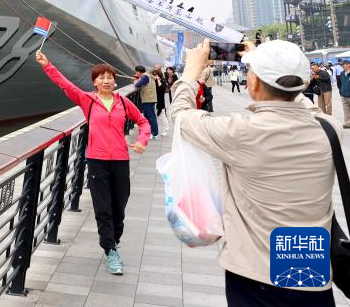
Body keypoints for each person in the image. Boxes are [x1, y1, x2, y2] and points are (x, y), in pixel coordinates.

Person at [169, 39, 339, 306]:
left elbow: (180, 116)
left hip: (258, 276)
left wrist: (191, 71)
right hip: (309, 266)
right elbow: (308, 108)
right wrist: (271, 66)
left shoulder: (241, 133)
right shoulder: (329, 129)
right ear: (304, 83)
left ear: (254, 82)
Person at [34, 51, 150, 276]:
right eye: (101, 78)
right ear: (94, 82)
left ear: (115, 81)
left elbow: (143, 121)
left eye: (110, 77)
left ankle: (114, 241)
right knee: (103, 207)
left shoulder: (123, 102)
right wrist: (47, 65)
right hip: (97, 160)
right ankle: (110, 249)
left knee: (120, 206)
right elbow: (65, 85)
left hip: (120, 160)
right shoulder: (87, 100)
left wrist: (142, 140)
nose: (106, 81)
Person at [134, 65, 160, 139]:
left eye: (136, 72)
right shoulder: (148, 75)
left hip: (148, 99)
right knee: (148, 116)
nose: (136, 73)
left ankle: (154, 133)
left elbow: (137, 85)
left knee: (151, 116)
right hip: (150, 99)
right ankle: (151, 132)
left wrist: (137, 80)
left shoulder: (145, 77)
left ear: (139, 72)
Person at [338, 60, 350, 128]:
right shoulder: (342, 73)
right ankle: (348, 123)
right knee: (346, 110)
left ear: (348, 65)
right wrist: (341, 92)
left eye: (343, 64)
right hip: (344, 95)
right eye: (341, 65)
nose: (342, 66)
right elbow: (340, 83)